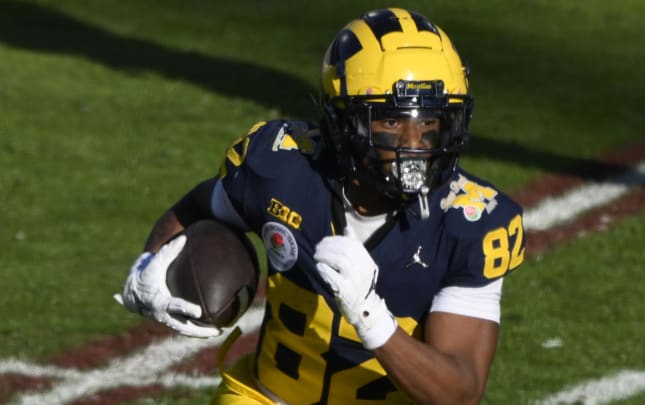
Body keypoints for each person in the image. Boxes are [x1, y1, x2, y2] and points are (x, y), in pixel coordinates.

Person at [115, 7, 525, 404]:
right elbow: (200, 206)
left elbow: (460, 392)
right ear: (344, 123)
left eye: (430, 122)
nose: (413, 144)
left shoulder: (471, 222)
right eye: (390, 121)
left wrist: (370, 317)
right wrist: (147, 267)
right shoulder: (283, 170)